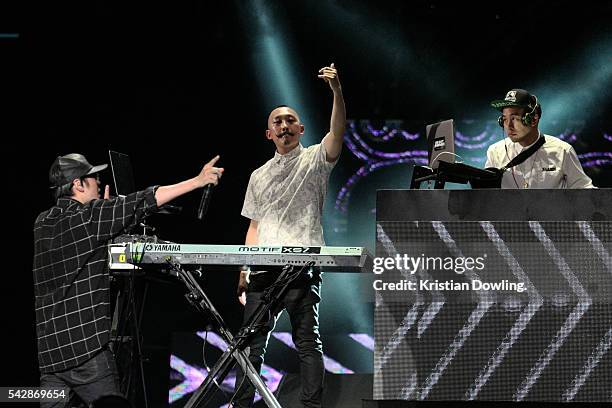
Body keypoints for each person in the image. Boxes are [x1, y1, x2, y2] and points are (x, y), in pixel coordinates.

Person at [34, 153, 224, 407]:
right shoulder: (92, 216)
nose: (99, 182)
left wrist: (104, 215)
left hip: (50, 354)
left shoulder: (41, 223)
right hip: (85, 352)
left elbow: (77, 243)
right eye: (93, 178)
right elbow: (144, 200)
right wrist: (197, 181)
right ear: (78, 184)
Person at [232, 63, 344, 408]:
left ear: (301, 127)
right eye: (277, 122)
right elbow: (253, 226)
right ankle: (242, 404)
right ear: (268, 133)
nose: (284, 125)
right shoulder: (258, 175)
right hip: (263, 269)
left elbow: (337, 133)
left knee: (307, 341)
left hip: (302, 265)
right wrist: (243, 269)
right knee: (250, 344)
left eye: (290, 120)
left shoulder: (315, 159)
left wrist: (338, 92)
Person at [485, 88, 594, 188]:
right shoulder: (495, 152)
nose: (508, 125)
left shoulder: (563, 151)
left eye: (515, 118)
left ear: (533, 120)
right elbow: (486, 196)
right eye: (504, 119)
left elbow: (585, 191)